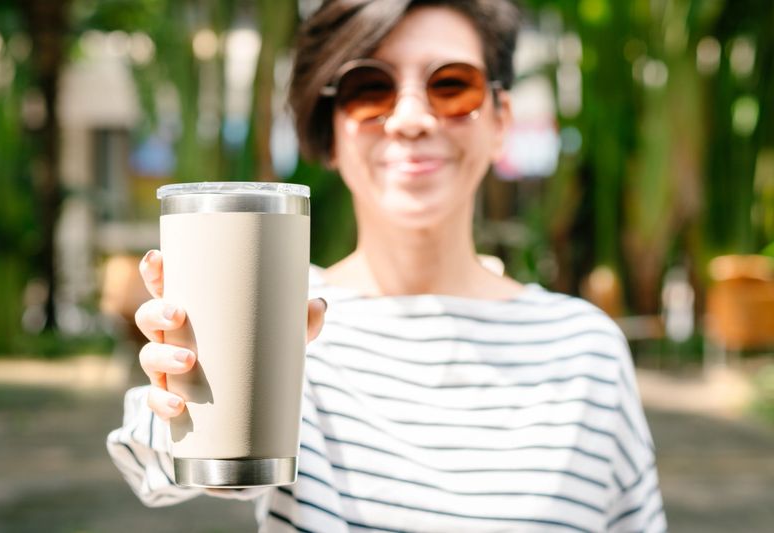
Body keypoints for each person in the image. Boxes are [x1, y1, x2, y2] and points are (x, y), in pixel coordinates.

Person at [107, 0, 667, 531]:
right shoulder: (286, 323)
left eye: (452, 86)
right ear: (328, 131)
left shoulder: (585, 350)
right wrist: (184, 392)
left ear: (501, 120)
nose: (411, 118)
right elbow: (171, 464)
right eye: (369, 89)